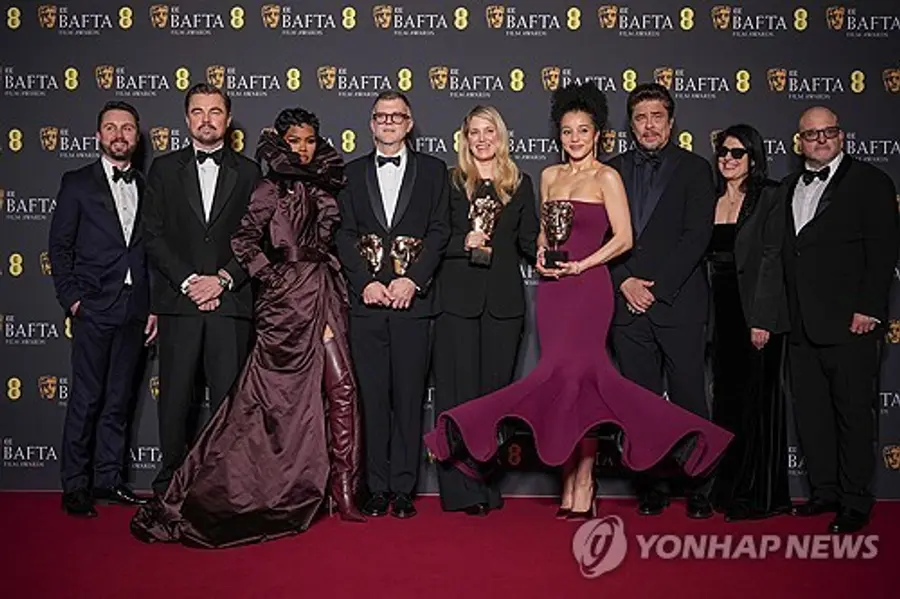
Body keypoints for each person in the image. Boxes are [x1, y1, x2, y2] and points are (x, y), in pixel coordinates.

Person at [424, 82, 733, 520]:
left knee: (587, 386)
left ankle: (589, 480)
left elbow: (623, 239)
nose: (574, 138)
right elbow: (545, 235)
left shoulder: (607, 177)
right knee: (559, 386)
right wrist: (544, 258)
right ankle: (567, 479)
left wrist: (583, 264)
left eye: (583, 130)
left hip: (589, 289)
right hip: (555, 292)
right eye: (567, 131)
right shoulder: (549, 176)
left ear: (598, 135)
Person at [130, 107, 364, 547]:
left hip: (325, 292)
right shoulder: (267, 188)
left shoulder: (328, 186)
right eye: (294, 140)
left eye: (310, 141)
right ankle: (265, 485)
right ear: (281, 143)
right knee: (278, 401)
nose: (303, 148)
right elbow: (244, 241)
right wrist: (274, 277)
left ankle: (345, 491)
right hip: (285, 303)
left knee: (342, 387)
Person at [783, 106, 898, 534]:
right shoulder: (789, 187)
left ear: (842, 136)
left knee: (853, 415)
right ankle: (824, 492)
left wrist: (869, 308)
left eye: (828, 132)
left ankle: (854, 500)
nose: (820, 139)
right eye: (811, 134)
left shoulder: (871, 182)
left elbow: (883, 252)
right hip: (800, 324)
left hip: (852, 324)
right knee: (812, 415)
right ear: (799, 142)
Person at [335, 91, 450, 519]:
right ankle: (376, 487)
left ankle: (403, 488)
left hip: (413, 305)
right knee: (371, 399)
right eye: (381, 116)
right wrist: (364, 283)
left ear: (409, 123)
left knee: (409, 397)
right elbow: (344, 234)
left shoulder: (433, 171)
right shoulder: (350, 174)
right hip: (367, 305)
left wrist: (412, 281)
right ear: (371, 123)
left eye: (396, 116)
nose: (388, 122)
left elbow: (439, 231)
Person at [141, 84, 260, 496]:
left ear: (228, 119)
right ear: (186, 118)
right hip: (180, 302)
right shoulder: (163, 169)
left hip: (230, 303)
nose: (206, 119)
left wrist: (222, 279)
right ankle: (170, 484)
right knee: (174, 398)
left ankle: (226, 486)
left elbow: (259, 238)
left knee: (230, 399)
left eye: (215, 111)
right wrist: (190, 282)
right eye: (198, 111)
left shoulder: (250, 172)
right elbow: (152, 235)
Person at [607, 83, 719, 519]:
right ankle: (650, 486)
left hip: (679, 303)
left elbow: (697, 236)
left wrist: (654, 288)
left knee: (691, 397)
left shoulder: (695, 169)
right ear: (631, 125)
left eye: (657, 116)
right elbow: (599, 238)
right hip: (627, 306)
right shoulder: (611, 170)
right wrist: (624, 282)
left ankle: (700, 487)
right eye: (641, 118)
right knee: (641, 401)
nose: (649, 125)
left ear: (671, 122)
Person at [49, 100, 156, 517]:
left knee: (119, 398)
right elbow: (59, 247)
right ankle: (75, 484)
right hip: (93, 306)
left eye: (127, 128)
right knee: (86, 397)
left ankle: (108, 479)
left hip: (135, 308)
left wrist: (153, 306)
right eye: (111, 127)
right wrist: (73, 300)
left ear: (136, 137)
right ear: (98, 136)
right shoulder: (77, 183)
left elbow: (150, 252)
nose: (119, 135)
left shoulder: (146, 185)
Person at [432, 105, 538, 516]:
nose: (481, 139)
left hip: (504, 306)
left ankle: (486, 483)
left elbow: (529, 241)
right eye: (474, 132)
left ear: (501, 136)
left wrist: (559, 252)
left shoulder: (520, 184)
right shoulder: (449, 182)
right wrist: (464, 242)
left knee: (494, 399)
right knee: (458, 396)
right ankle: (460, 490)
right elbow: (434, 239)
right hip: (457, 303)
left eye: (488, 131)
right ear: (464, 138)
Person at [705, 124, 791, 521]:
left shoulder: (770, 196)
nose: (728, 159)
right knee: (727, 401)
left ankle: (755, 495)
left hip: (755, 312)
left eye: (737, 153)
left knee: (756, 403)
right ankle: (726, 488)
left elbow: (773, 258)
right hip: (721, 313)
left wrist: (762, 320)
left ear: (753, 158)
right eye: (723, 152)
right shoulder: (713, 197)